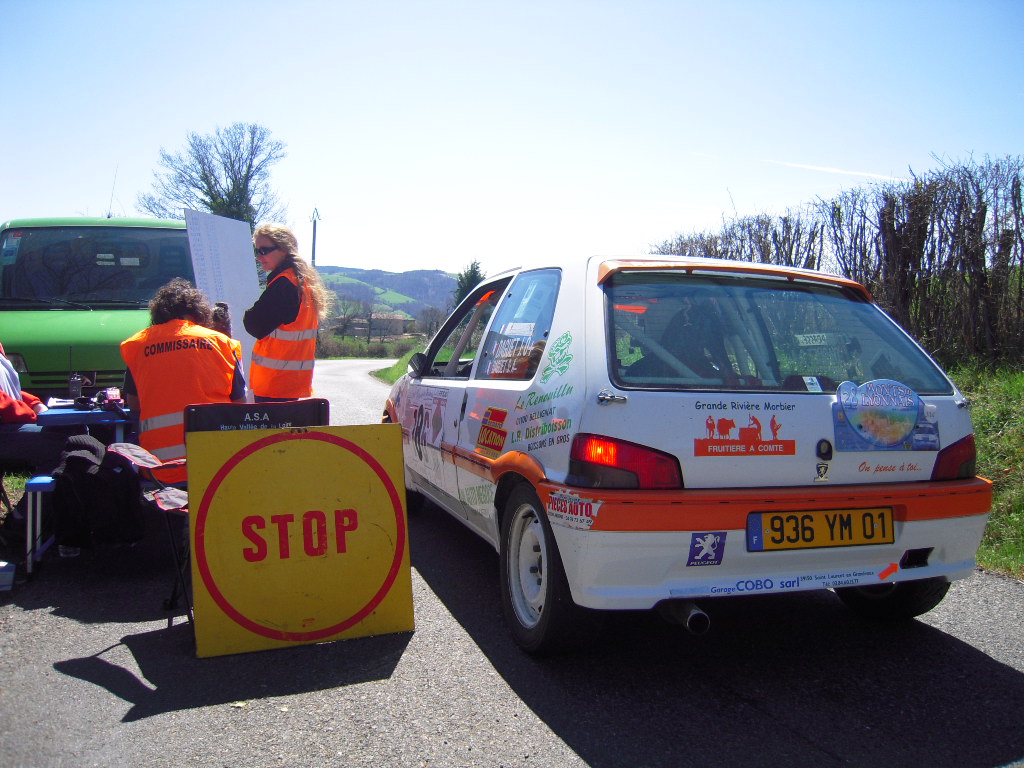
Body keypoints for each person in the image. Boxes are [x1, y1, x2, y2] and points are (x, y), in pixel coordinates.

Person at [121, 279, 246, 484]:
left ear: (159, 314)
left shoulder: (137, 345)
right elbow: (240, 407)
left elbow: (134, 405)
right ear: (199, 313)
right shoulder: (221, 343)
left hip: (159, 469)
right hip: (216, 467)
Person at [243, 223, 330, 402]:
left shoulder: (285, 284)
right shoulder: (302, 282)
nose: (259, 257)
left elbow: (254, 325)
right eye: (256, 251)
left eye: (264, 250)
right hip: (290, 383)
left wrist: (248, 312)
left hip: (274, 384)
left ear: (283, 249)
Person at [0, 341, 79, 476]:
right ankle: (49, 494)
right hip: (5, 428)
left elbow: (8, 388)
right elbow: (5, 404)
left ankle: (46, 494)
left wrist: (34, 404)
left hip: (11, 423)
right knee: (70, 442)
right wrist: (35, 415)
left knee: (76, 430)